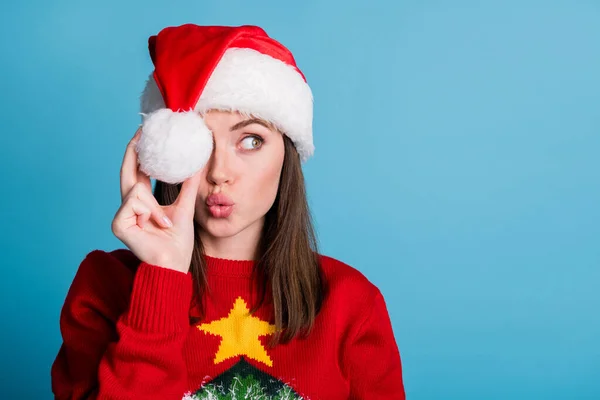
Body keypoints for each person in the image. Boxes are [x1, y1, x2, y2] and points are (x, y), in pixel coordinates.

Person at [50, 24, 405, 400]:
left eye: (250, 140)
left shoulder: (350, 304)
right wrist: (162, 276)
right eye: (199, 142)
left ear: (287, 155)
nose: (219, 172)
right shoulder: (105, 287)